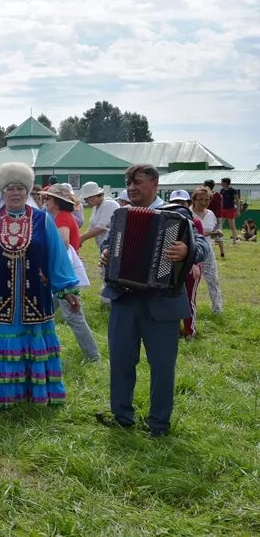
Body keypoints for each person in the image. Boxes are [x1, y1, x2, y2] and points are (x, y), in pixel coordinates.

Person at [97, 164, 209, 437]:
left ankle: (159, 424)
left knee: (161, 367)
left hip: (163, 302)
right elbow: (107, 245)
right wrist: (107, 252)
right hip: (124, 299)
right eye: (129, 182)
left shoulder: (179, 215)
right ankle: (122, 417)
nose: (131, 187)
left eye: (137, 182)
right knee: (122, 361)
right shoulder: (122, 214)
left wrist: (186, 250)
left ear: (155, 184)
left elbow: (203, 246)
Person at [0, 162, 81, 407]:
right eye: (10, 188)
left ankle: (35, 392)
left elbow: (56, 256)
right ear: (2, 192)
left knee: (34, 338)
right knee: (5, 338)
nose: (15, 193)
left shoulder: (42, 220)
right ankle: (2, 392)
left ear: (28, 191)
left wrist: (67, 288)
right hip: (0, 296)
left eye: (20, 188)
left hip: (35, 297)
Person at [41, 185, 100, 362]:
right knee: (44, 312)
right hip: (62, 272)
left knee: (74, 317)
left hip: (64, 274)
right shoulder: (63, 216)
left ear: (57, 202)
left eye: (49, 199)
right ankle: (43, 349)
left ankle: (93, 357)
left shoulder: (62, 218)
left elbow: (64, 243)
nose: (46, 201)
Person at [168, 190, 205, 339]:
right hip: (172, 267)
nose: (179, 206)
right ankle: (175, 330)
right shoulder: (166, 222)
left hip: (190, 267)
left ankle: (190, 331)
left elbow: (198, 245)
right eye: (175, 203)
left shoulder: (195, 223)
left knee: (189, 299)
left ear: (189, 204)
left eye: (182, 203)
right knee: (171, 299)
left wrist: (194, 264)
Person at [189, 187, 224, 315]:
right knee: (189, 283)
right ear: (194, 199)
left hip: (207, 251)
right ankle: (189, 310)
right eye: (201, 200)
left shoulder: (210, 214)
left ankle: (217, 310)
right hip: (191, 252)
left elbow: (212, 232)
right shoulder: (188, 213)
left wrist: (216, 233)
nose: (204, 202)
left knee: (213, 280)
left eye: (207, 199)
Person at [203, 180, 226, 258]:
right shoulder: (219, 195)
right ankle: (222, 252)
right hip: (218, 216)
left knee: (205, 234)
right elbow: (221, 205)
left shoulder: (207, 196)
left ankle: (206, 251)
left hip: (208, 217)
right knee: (218, 234)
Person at [218, 178, 241, 243]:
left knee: (232, 226)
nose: (220, 183)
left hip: (230, 209)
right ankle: (219, 239)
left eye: (221, 182)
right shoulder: (222, 190)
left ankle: (234, 241)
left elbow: (237, 200)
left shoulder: (232, 190)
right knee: (220, 225)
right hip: (223, 209)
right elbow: (221, 201)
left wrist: (238, 211)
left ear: (225, 183)